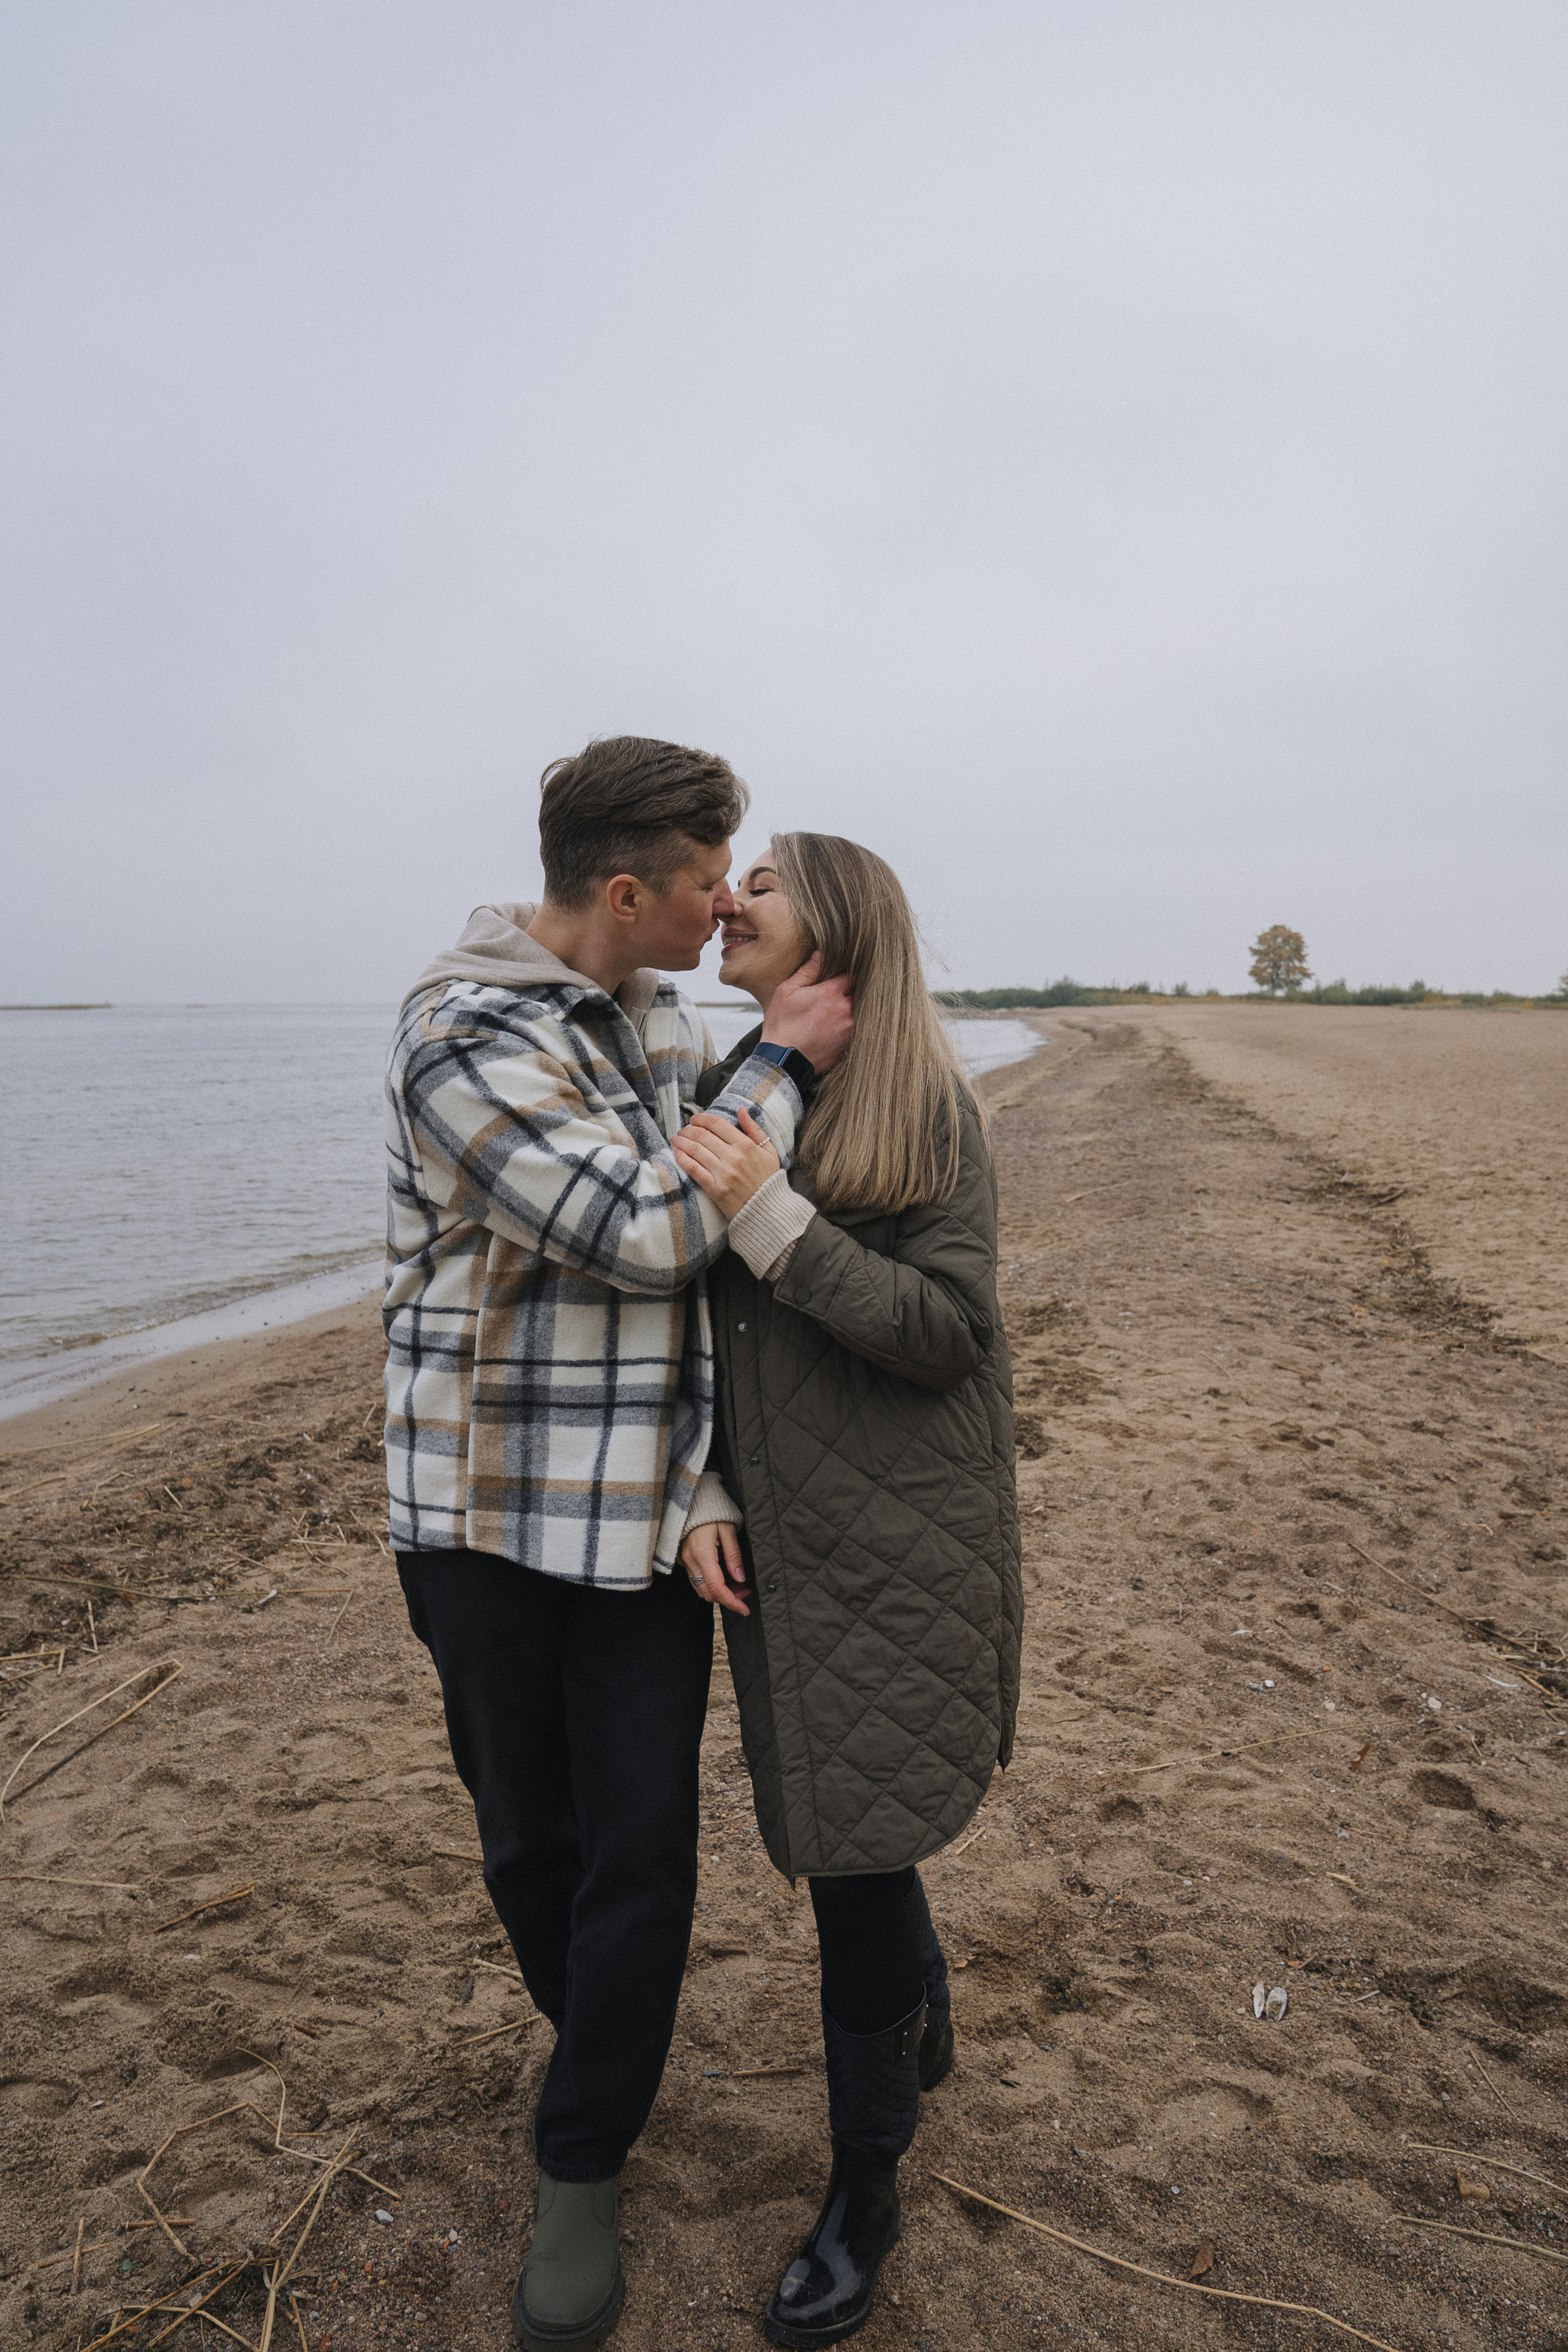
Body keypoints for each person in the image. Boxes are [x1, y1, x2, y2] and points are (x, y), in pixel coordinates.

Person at [382, 739, 853, 2352]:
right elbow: (653, 1233)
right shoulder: (460, 1034)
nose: (727, 905)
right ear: (629, 889)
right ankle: (600, 2039)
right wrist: (781, 1062)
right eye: (710, 880)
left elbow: (700, 1277)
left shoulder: (660, 1021)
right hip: (482, 1514)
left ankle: (580, 2159)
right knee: (533, 1846)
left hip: (644, 1518)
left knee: (643, 1853)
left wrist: (708, 1478)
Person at [671, 834, 1022, 2350]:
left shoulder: (923, 1103)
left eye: (760, 884)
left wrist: (773, 1218)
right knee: (850, 1825)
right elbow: (688, 1323)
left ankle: (865, 2188)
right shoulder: (745, 1080)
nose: (728, 901)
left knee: (852, 1849)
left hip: (896, 1539)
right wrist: (698, 1481)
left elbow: (947, 1333)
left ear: (836, 928)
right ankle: (921, 2013)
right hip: (780, 1536)